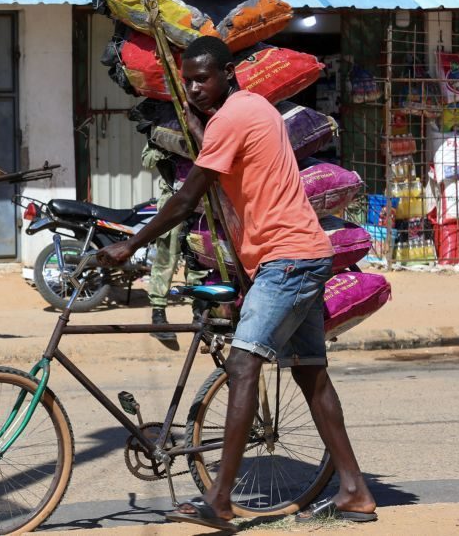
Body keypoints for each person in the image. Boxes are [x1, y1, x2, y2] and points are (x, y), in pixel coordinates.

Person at [98, 37, 376, 531]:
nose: (195, 87)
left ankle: (220, 499)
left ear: (229, 73)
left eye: (203, 78)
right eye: (187, 81)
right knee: (310, 373)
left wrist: (128, 245)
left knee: (244, 365)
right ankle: (354, 490)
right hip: (303, 253)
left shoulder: (230, 119)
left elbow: (186, 200)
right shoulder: (255, 107)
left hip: (287, 259)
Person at [141, 141, 205, 349]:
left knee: (199, 261)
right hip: (173, 203)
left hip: (203, 203)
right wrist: (167, 151)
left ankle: (199, 315)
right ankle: (158, 315)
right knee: (165, 259)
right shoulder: (163, 132)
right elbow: (147, 159)